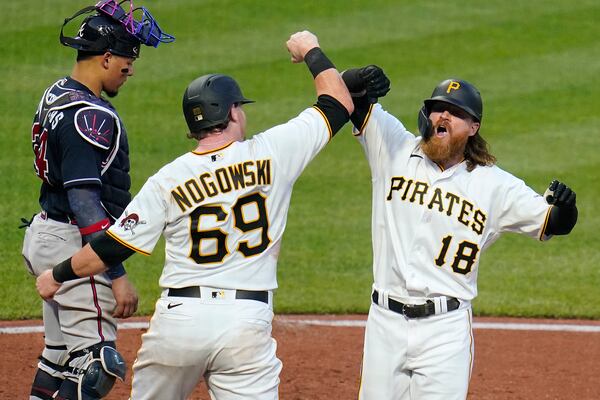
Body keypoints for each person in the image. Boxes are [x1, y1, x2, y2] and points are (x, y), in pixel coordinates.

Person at [36, 30, 353, 399]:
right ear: (233, 111)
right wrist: (310, 50)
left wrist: (56, 275)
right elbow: (336, 103)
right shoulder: (274, 152)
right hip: (246, 324)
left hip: (179, 321)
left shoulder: (168, 178)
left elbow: (112, 247)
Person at [340, 66, 578, 399]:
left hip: (445, 331)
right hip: (385, 323)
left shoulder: (494, 185)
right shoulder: (394, 148)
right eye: (438, 108)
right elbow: (346, 96)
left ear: (473, 127)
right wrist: (357, 79)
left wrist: (567, 209)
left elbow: (554, 222)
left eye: (456, 113)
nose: (444, 116)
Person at [22, 1, 173, 399]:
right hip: (76, 245)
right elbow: (86, 202)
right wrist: (116, 274)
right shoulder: (89, 116)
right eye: (126, 62)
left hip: (46, 232)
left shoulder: (57, 93)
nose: (130, 70)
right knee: (97, 367)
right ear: (106, 58)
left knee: (58, 357)